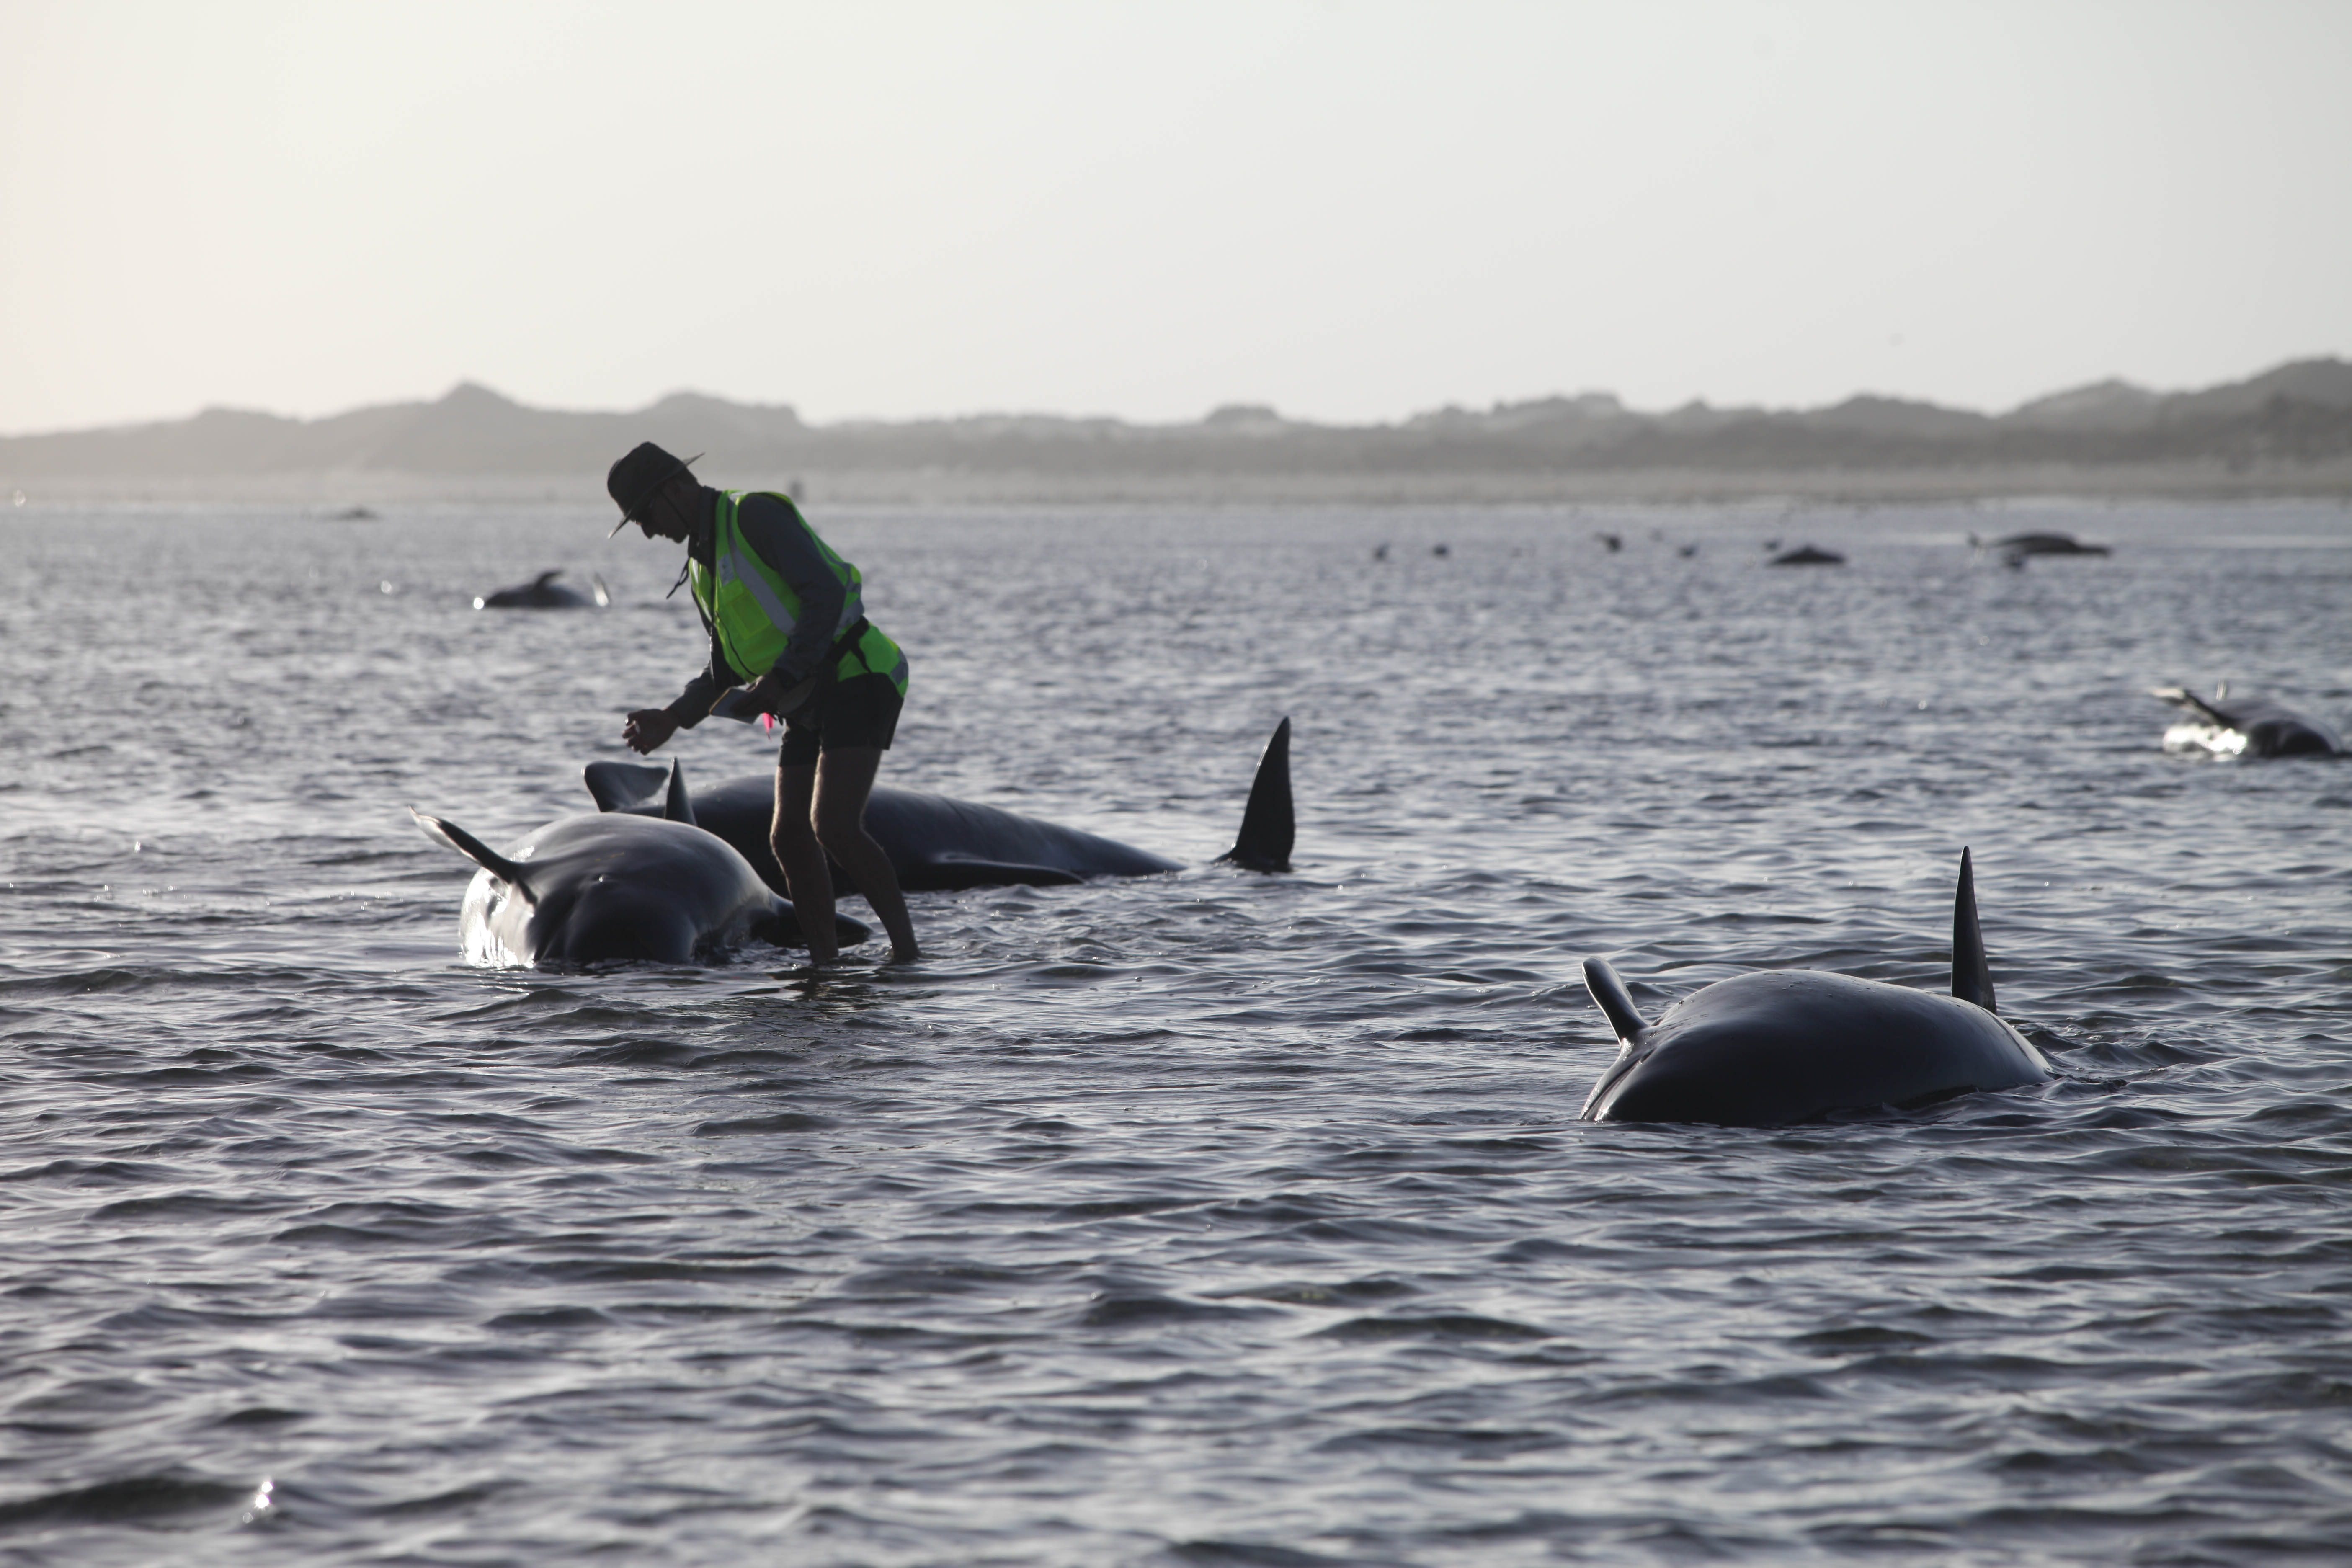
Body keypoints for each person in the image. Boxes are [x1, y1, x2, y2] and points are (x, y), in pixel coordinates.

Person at [607, 442, 919, 963]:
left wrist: (782, 678)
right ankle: (824, 968)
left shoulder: (754, 516)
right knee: (788, 835)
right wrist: (672, 718)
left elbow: (826, 595)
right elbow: (723, 671)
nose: (647, 530)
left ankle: (908, 957)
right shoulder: (701, 569)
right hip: (802, 699)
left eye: (646, 514)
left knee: (834, 826)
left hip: (859, 674)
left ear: (677, 488)